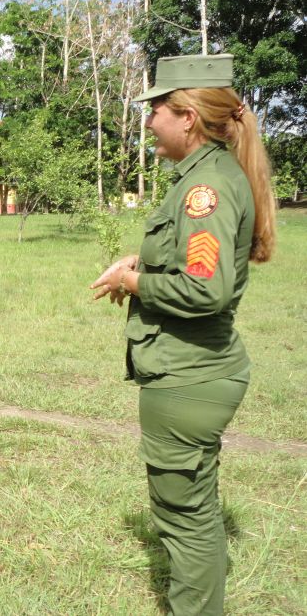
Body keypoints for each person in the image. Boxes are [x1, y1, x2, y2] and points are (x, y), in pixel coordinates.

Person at [90, 54, 276, 615]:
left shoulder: (207, 190)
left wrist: (134, 281)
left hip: (188, 375)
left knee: (185, 523)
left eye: (156, 112)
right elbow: (191, 267)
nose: (148, 123)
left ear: (188, 117)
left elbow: (207, 290)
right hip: (193, 372)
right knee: (195, 510)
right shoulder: (206, 177)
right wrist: (140, 267)